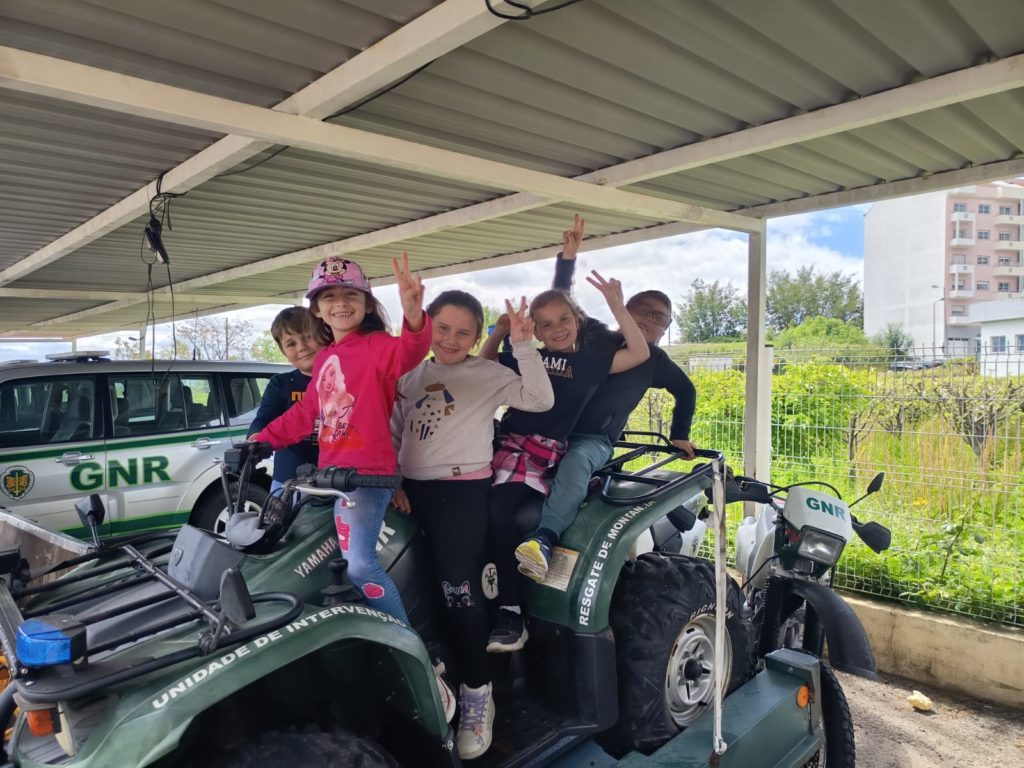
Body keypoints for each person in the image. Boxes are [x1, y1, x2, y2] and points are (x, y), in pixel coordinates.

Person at [391, 290, 553, 760]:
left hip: (461, 494)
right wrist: (393, 480)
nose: (451, 339)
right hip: (408, 492)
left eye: (464, 332)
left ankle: (479, 694)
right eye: (443, 328)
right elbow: (395, 432)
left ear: (477, 336)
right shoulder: (408, 375)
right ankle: (433, 679)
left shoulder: (487, 373)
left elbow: (539, 398)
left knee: (458, 590)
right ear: (427, 326)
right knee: (414, 588)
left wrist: (522, 344)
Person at [514, 214, 698, 584]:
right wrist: (568, 259)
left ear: (666, 327)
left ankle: (545, 538)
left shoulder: (655, 361)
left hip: (592, 439)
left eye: (660, 318)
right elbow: (560, 305)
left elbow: (686, 390)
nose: (649, 321)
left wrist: (680, 434)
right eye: (643, 311)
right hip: (552, 428)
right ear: (626, 309)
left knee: (578, 461)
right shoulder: (596, 336)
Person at [251, 254, 429, 623]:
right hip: (330, 478)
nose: (341, 303)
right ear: (317, 310)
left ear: (367, 304)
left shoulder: (376, 345)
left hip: (365, 478)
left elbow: (409, 352)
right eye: (329, 297)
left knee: (360, 565)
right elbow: (306, 413)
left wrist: (413, 316)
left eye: (351, 295)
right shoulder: (326, 358)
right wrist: (260, 442)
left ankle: (407, 640)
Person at [481, 271, 649, 652]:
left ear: (577, 319)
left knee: (501, 510)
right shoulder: (530, 356)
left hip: (546, 450)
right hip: (511, 442)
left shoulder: (592, 362)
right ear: (535, 331)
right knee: (480, 507)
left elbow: (639, 353)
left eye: (564, 319)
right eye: (545, 324)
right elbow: (485, 364)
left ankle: (511, 609)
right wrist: (501, 331)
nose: (556, 328)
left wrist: (617, 306)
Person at [246, 307, 322, 493]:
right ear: (283, 352)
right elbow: (263, 419)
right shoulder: (280, 384)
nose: (302, 347)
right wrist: (255, 439)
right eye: (291, 344)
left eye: (308, 337)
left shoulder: (344, 380)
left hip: (338, 477)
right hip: (288, 479)